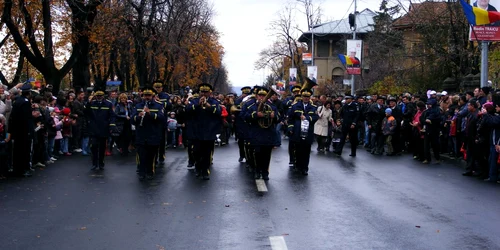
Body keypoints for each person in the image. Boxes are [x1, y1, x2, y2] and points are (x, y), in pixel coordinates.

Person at [185, 83, 221, 180]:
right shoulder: (194, 101)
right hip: (196, 131)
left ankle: (205, 171)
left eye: (206, 92)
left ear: (210, 92)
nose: (204, 94)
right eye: (202, 92)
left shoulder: (214, 102)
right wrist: (197, 105)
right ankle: (198, 167)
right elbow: (187, 110)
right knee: (196, 151)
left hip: (209, 131)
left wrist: (209, 106)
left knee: (207, 153)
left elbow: (218, 112)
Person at [244, 87, 279, 180]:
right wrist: (255, 115)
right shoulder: (251, 106)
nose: (262, 97)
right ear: (256, 96)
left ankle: (265, 172)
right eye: (260, 95)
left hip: (268, 134)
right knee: (257, 154)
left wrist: (274, 116)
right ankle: (257, 171)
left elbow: (279, 117)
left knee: (267, 154)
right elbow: (244, 116)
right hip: (256, 133)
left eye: (264, 96)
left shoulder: (272, 106)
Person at [132, 87, 165, 180]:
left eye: (149, 95)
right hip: (141, 134)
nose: (147, 97)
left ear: (152, 96)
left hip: (153, 134)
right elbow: (132, 119)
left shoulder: (159, 105)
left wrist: (150, 113)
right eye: (145, 95)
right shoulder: (138, 106)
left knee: (151, 155)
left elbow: (161, 118)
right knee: (141, 155)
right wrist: (138, 117)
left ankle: (150, 171)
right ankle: (142, 172)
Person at [287, 88, 318, 175]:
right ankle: (297, 166)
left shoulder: (313, 107)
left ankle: (304, 168)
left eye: (308, 97)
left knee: (306, 151)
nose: (306, 98)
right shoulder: (295, 106)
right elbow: (290, 119)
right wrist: (290, 128)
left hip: (308, 132)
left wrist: (307, 118)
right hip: (297, 131)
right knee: (297, 150)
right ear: (301, 97)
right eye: (304, 96)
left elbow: (315, 117)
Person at [84, 87, 116, 171]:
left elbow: (112, 115)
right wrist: (88, 103)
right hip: (94, 128)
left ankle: (101, 163)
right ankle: (94, 163)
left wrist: (111, 125)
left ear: (103, 96)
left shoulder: (108, 104)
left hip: (103, 129)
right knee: (93, 146)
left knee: (102, 148)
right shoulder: (92, 103)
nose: (99, 97)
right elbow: (86, 112)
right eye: (97, 96)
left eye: (100, 96)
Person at [9, 84, 35, 177]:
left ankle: (17, 168)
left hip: (17, 130)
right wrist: (29, 130)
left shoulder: (18, 101)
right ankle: (24, 169)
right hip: (24, 131)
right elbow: (26, 118)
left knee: (17, 150)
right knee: (25, 150)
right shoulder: (26, 102)